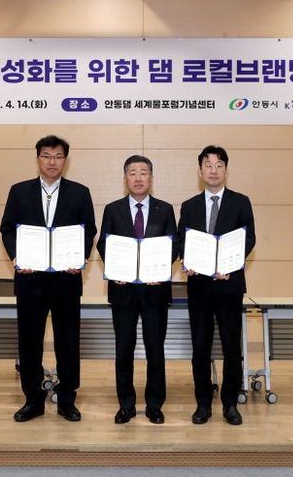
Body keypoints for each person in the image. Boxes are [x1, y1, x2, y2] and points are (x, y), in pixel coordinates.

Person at [0, 135, 97, 423]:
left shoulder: (80, 193)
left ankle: (67, 399)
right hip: (30, 280)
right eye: (46, 156)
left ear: (65, 160)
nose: (52, 162)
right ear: (38, 159)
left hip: (66, 280)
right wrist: (17, 256)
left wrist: (79, 258)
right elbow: (7, 229)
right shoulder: (19, 191)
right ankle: (33, 400)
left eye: (57, 156)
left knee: (68, 342)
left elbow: (89, 231)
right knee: (29, 342)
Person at [177, 145, 256, 425]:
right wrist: (186, 259)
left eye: (219, 165)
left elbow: (249, 239)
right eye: (208, 165)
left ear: (226, 170)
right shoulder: (189, 206)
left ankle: (230, 404)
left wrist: (230, 264)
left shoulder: (241, 202)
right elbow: (181, 241)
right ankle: (203, 404)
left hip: (229, 286)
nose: (213, 170)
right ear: (200, 171)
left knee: (232, 348)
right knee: (200, 348)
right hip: (199, 287)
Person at [97, 155, 178, 425]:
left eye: (143, 172)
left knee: (155, 348)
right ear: (125, 179)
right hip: (123, 290)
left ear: (151, 178)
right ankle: (126, 405)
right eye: (133, 173)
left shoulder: (165, 209)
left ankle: (154, 405)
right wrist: (115, 269)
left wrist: (161, 269)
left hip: (155, 290)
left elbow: (174, 245)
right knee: (124, 349)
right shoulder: (113, 209)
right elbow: (103, 244)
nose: (138, 178)